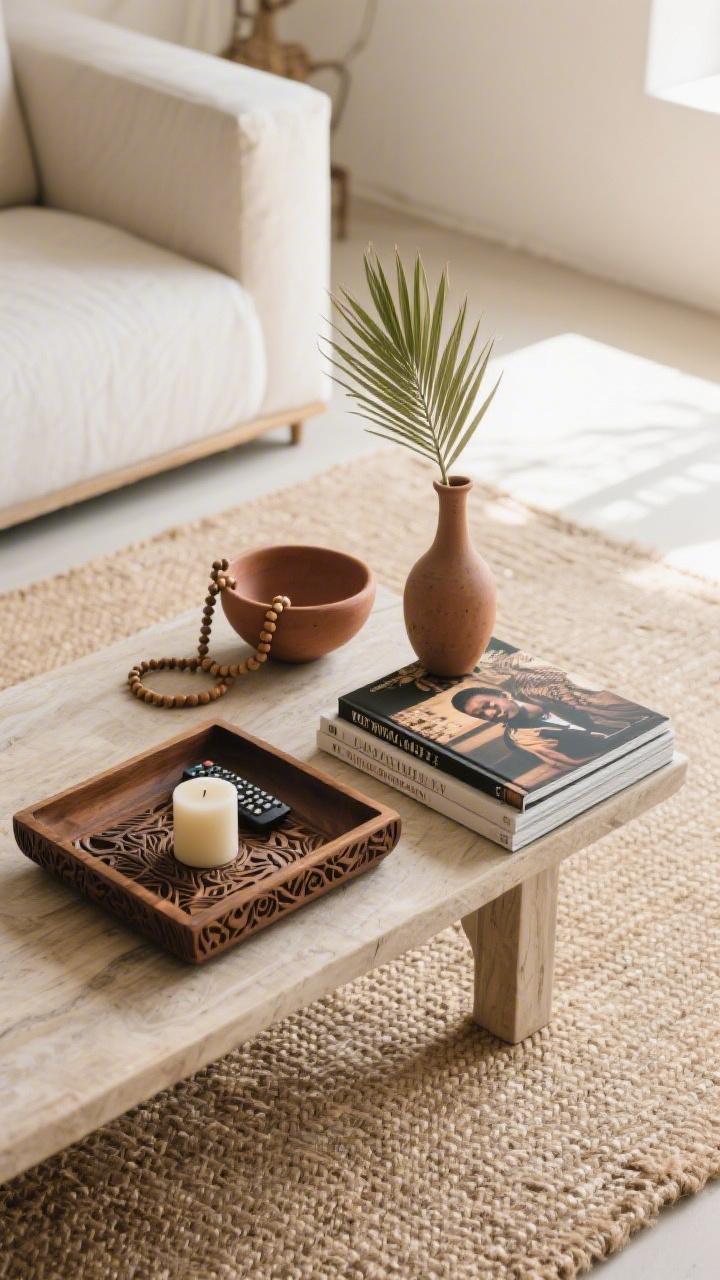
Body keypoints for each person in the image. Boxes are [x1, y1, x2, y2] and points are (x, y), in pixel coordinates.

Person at [450, 685, 609, 770]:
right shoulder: (517, 738)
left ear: (505, 695)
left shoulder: (553, 696)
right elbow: (568, 760)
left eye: (486, 706)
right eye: (480, 715)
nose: (490, 715)